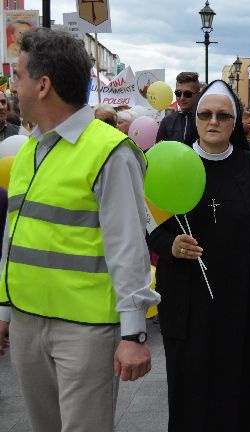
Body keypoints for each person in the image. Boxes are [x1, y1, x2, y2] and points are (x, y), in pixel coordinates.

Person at [0, 28, 159, 431]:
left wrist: (134, 335)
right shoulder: (29, 150)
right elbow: (14, 240)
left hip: (86, 332)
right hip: (27, 320)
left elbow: (128, 249)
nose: (12, 86)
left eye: (17, 76)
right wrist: (4, 311)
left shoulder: (109, 151)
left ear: (43, 85)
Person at [147, 79, 250, 431]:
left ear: (236, 121)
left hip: (244, 297)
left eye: (223, 116)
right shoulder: (169, 164)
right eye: (206, 114)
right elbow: (147, 226)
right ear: (194, 119)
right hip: (189, 299)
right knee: (193, 392)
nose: (214, 122)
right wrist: (170, 245)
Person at [155, 72, 200, 145]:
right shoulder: (166, 122)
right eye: (178, 93)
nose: (182, 98)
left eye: (187, 94)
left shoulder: (205, 120)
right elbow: (159, 151)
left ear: (198, 94)